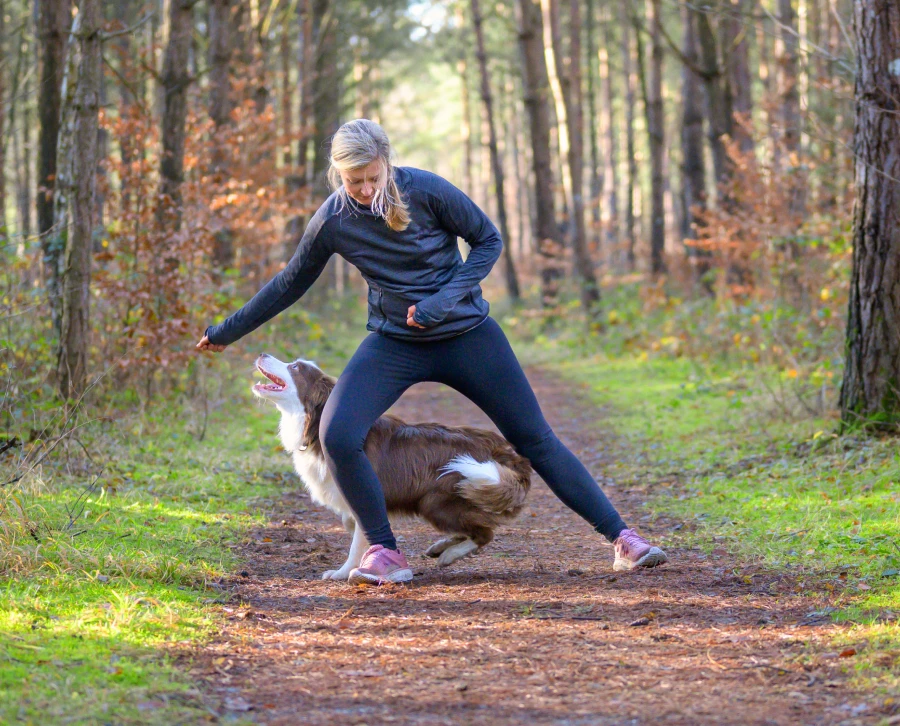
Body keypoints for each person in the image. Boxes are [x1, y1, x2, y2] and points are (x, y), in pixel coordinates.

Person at [196, 118, 667, 585]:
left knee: (535, 438)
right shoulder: (334, 218)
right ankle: (385, 552)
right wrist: (226, 331)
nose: (363, 189)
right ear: (338, 174)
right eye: (352, 180)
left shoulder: (427, 190)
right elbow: (289, 282)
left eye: (372, 178)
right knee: (337, 433)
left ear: (387, 164)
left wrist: (444, 300)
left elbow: (488, 240)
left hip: (467, 334)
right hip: (395, 342)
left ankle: (623, 539)